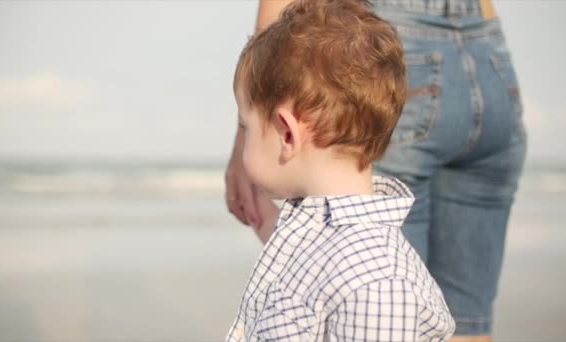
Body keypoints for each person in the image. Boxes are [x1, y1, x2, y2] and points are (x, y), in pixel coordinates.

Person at [225, 0, 526, 340]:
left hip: (415, 39)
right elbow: (298, 247)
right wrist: (262, 212)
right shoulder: (321, 227)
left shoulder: (378, 283)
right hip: (489, 55)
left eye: (245, 126)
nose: (244, 140)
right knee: (470, 324)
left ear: (288, 133)